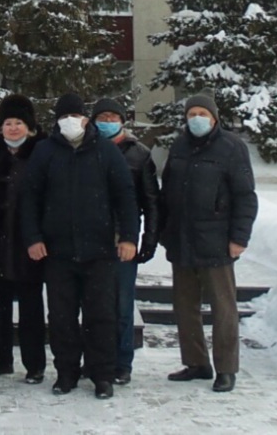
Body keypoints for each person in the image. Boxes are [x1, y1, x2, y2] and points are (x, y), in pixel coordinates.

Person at [20, 93, 138, 399]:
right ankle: (66, 373)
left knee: (101, 316)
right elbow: (29, 198)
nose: (70, 122)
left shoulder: (105, 152)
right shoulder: (46, 151)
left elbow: (125, 196)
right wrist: (33, 238)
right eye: (64, 117)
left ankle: (103, 375)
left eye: (75, 116)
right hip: (57, 252)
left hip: (99, 252)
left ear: (86, 119)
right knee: (61, 318)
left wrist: (128, 237)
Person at [158, 93, 258, 394]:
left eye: (202, 113)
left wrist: (239, 238)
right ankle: (196, 363)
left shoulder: (231, 147)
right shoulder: (179, 146)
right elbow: (168, 193)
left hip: (216, 242)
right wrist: (165, 232)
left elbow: (245, 196)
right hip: (182, 239)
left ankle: (226, 368)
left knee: (223, 308)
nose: (196, 119)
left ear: (214, 117)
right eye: (191, 114)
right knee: (185, 306)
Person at [0, 95, 46, 383]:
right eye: (8, 123)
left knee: (31, 308)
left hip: (29, 244)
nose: (13, 128)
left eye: (19, 123)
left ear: (29, 127)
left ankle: (34, 364)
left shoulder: (42, 153)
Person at [92, 96, 159, 385]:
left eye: (112, 117)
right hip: (91, 239)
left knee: (121, 306)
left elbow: (151, 201)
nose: (107, 122)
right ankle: (96, 360)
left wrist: (148, 240)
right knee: (94, 305)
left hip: (123, 240)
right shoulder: (86, 149)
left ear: (122, 120)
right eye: (101, 117)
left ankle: (121, 363)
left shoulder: (139, 154)